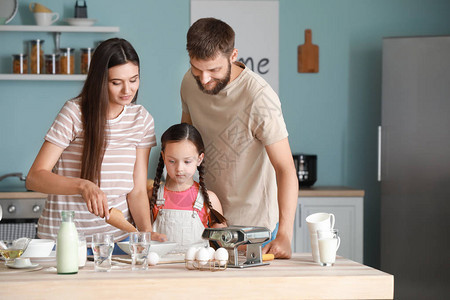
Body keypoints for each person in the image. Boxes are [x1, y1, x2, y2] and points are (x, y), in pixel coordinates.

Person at [26, 38, 165, 247]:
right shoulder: (74, 113)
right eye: (116, 82)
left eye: (134, 79)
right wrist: (82, 186)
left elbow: (136, 190)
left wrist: (146, 234)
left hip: (116, 243)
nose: (127, 90)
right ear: (100, 80)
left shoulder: (142, 119)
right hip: (63, 242)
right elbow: (35, 178)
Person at [180, 18, 298, 258]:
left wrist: (285, 234)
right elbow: (187, 144)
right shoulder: (188, 83)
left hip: (254, 229)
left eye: (213, 70)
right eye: (196, 68)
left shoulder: (259, 97)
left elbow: (285, 168)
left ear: (233, 55)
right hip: (207, 223)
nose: (203, 79)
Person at [149, 123, 227, 252]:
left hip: (197, 269)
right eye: (172, 161)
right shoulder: (152, 195)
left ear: (199, 159)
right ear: (163, 157)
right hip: (160, 270)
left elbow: (224, 241)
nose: (179, 169)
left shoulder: (210, 199)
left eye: (187, 162)